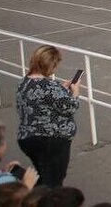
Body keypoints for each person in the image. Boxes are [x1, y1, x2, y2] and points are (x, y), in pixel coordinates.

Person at [16, 46, 81, 187]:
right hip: (51, 140)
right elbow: (70, 107)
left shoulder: (24, 82)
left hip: (27, 137)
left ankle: (24, 180)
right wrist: (75, 92)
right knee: (54, 180)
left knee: (44, 175)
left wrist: (61, 90)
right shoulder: (49, 86)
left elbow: (40, 102)